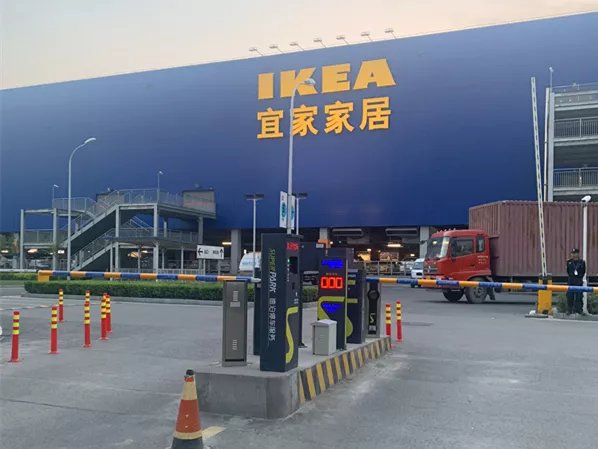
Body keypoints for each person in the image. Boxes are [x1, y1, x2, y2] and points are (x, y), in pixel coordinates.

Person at [566, 248, 586, 315]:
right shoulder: (569, 262)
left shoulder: (582, 262)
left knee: (579, 296)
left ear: (577, 254)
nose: (573, 255)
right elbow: (568, 271)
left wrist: (579, 277)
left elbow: (583, 271)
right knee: (570, 296)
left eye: (574, 253)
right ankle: (569, 309)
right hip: (571, 281)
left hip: (578, 281)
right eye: (572, 253)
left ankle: (579, 310)